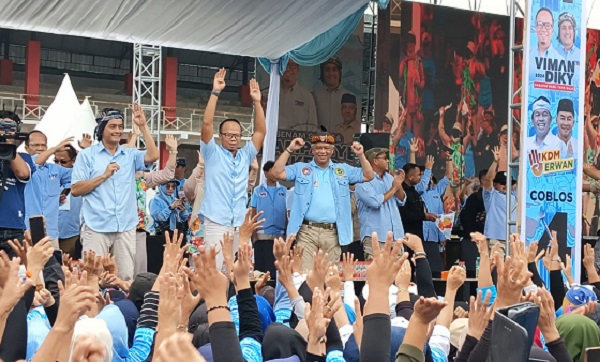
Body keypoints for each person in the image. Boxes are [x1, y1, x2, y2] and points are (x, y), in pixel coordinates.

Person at [71, 104, 159, 280]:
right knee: (92, 277)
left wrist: (143, 126)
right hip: (96, 225)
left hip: (125, 226)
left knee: (125, 277)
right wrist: (103, 176)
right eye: (112, 126)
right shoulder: (87, 155)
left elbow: (153, 155)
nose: (118, 131)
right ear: (102, 129)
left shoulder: (130, 154)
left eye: (120, 127)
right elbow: (76, 189)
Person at [270, 133, 374, 269]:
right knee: (304, 276)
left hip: (333, 233)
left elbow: (368, 175)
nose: (322, 151)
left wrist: (361, 154)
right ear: (312, 150)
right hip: (306, 231)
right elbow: (276, 173)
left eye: (326, 148)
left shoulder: (343, 169)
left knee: (329, 277)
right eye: (318, 148)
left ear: (332, 150)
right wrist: (289, 149)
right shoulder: (301, 169)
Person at [200, 69, 266, 269]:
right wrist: (215, 92)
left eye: (237, 135)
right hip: (216, 222)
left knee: (239, 271)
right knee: (215, 270)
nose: (233, 139)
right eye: (229, 135)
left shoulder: (246, 154)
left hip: (239, 223)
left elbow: (261, 131)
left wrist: (257, 102)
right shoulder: (212, 152)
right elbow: (206, 123)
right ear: (221, 136)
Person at [23, 131, 74, 250]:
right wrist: (54, 149)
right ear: (26, 148)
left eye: (43, 145)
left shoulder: (55, 169)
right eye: (36, 145)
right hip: (28, 231)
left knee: (54, 268)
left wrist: (79, 155)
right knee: (29, 267)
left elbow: (78, 175)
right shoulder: (23, 166)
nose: (40, 148)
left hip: (51, 232)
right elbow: (35, 162)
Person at [355, 148, 406, 260]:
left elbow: (402, 200)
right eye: (384, 158)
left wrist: (399, 184)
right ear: (375, 161)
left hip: (396, 236)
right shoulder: (362, 180)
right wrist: (394, 188)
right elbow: (374, 202)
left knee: (399, 275)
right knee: (377, 275)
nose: (387, 161)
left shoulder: (389, 177)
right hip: (376, 237)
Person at [0, 109, 34, 256]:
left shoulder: (24, 157)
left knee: (17, 275)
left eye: (10, 128)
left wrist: (9, 145)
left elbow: (23, 173)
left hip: (13, 226)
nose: (5, 132)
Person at [250, 161, 287, 276]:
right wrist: (254, 235)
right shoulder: (258, 190)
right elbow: (253, 212)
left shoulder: (284, 191)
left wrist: (286, 233)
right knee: (261, 271)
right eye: (272, 171)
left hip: (279, 236)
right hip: (261, 236)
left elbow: (287, 213)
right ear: (265, 173)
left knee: (276, 269)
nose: (275, 174)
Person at [482, 146, 517, 256]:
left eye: (508, 183)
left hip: (513, 240)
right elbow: (488, 179)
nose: (505, 185)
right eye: (502, 183)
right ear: (495, 184)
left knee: (513, 272)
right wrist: (495, 162)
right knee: (497, 271)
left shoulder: (514, 196)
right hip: (496, 240)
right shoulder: (491, 195)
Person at [421, 158, 453, 274]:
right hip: (419, 237)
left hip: (433, 237)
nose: (428, 178)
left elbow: (447, 177)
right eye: (425, 175)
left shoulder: (436, 191)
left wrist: (448, 159)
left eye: (430, 176)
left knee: (436, 269)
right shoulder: (416, 191)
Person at [399, 157, 438, 242]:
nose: (421, 177)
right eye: (419, 175)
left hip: (418, 234)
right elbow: (405, 214)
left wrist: (425, 216)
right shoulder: (401, 192)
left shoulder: (414, 191)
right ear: (410, 177)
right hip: (406, 235)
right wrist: (424, 216)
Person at [56, 145, 83, 257]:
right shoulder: (49, 174)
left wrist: (83, 152)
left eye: (63, 162)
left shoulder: (80, 175)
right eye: (56, 161)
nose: (59, 165)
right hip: (50, 233)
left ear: (73, 161)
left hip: (71, 233)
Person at [459, 170, 487, 275]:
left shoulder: (496, 197)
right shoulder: (474, 198)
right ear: (483, 180)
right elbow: (465, 218)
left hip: (491, 241)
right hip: (474, 242)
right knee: (473, 274)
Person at [279, 59, 319, 132]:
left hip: (298, 142)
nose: (288, 69)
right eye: (285, 65)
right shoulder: (268, 94)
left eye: (292, 65)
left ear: (298, 69)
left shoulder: (307, 97)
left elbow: (313, 129)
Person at [312, 57, 349, 132]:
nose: (331, 73)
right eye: (327, 69)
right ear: (322, 73)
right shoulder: (313, 95)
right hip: (319, 141)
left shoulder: (349, 96)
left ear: (339, 73)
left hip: (342, 141)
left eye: (334, 69)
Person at [529, 7, 560, 80]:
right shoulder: (527, 55)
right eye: (540, 24)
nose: (543, 29)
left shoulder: (560, 60)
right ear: (536, 27)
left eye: (547, 25)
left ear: (552, 29)